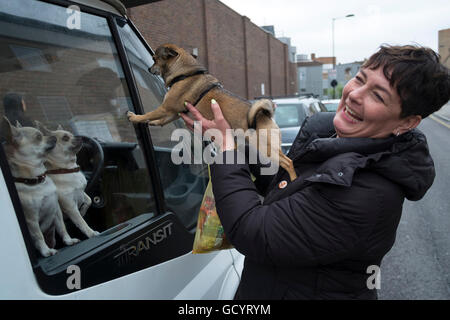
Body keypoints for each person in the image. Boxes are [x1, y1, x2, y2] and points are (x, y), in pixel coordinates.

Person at [180, 44, 450, 299]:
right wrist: (234, 138)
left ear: (407, 122)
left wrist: (226, 148)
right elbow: (282, 184)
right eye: (359, 78)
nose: (354, 94)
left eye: (377, 95)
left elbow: (254, 232)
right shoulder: (334, 142)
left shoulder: (367, 194)